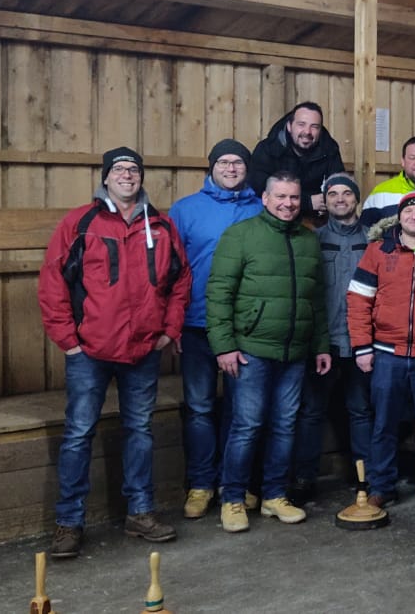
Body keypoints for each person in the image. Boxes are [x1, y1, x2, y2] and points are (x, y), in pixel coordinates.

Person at [38, 147, 190, 558]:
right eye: (119, 169)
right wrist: (68, 340)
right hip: (89, 351)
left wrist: (169, 330)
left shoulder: (161, 226)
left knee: (140, 430)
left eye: (134, 169)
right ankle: (69, 522)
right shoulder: (80, 223)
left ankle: (140, 513)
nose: (127, 175)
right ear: (106, 177)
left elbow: (181, 281)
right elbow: (53, 282)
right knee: (78, 434)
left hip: (143, 350)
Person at [205, 171, 333, 532]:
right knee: (247, 426)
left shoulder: (308, 241)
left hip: (295, 352)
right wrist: (224, 346)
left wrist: (320, 345)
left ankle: (274, 495)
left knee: (285, 425)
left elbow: (316, 300)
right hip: (252, 351)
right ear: (265, 198)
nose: (287, 204)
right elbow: (219, 293)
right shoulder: (241, 236)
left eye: (293, 197)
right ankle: (233, 498)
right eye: (280, 196)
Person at [169, 139, 263, 520]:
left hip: (245, 328)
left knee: (241, 411)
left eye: (237, 162)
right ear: (211, 167)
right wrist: (172, 323)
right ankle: (200, 483)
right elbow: (170, 270)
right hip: (196, 324)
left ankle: (232, 483)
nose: (230, 168)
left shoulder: (260, 208)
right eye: (223, 162)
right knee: (200, 408)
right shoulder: (185, 210)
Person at [347, 192, 415, 515]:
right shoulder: (379, 251)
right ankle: (381, 487)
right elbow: (358, 300)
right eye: (409, 211)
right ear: (399, 217)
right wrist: (362, 347)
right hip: (385, 354)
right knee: (383, 425)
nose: (414, 216)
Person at [291, 172, 370, 504]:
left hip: (362, 342)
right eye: (333, 194)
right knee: (311, 412)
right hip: (322, 342)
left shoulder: (373, 240)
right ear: (325, 201)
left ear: (356, 199)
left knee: (361, 410)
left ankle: (366, 478)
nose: (340, 199)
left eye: (346, 193)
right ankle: (304, 479)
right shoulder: (313, 239)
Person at [247, 101, 345, 214]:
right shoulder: (268, 149)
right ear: (289, 126)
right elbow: (260, 188)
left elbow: (339, 184)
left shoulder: (329, 149)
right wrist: (307, 202)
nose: (307, 132)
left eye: (314, 127)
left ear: (320, 131)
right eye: (301, 124)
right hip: (276, 214)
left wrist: (330, 198)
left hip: (317, 216)